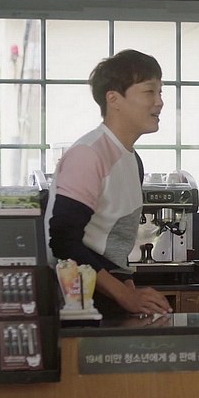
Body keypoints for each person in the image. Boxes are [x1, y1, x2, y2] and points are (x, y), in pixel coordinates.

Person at [46, 49, 172, 316]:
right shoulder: (88, 155)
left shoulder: (132, 159)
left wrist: (133, 296)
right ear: (113, 99)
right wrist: (126, 296)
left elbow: (114, 250)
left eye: (160, 92)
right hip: (77, 303)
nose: (159, 102)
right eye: (149, 92)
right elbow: (63, 242)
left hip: (106, 297)